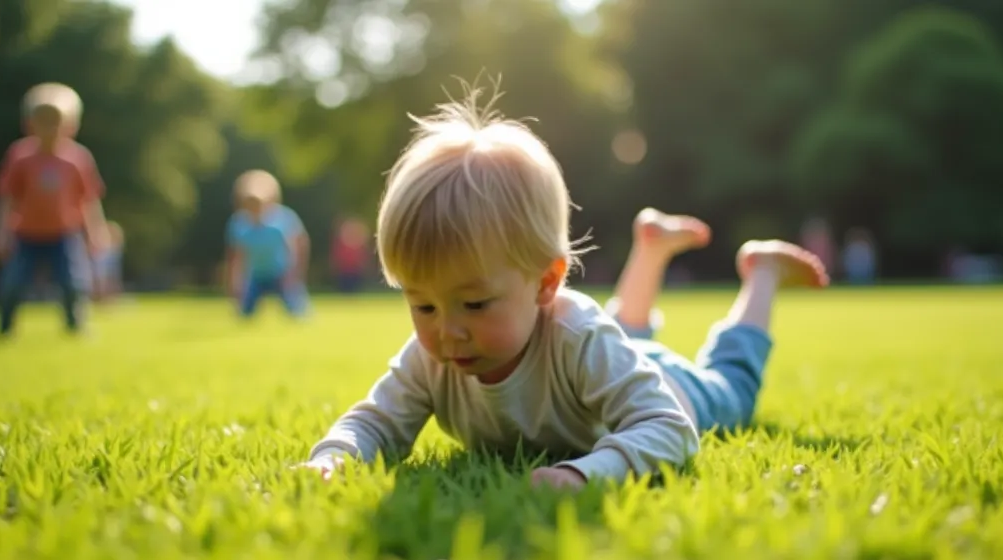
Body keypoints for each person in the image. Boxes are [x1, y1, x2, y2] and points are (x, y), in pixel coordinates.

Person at [298, 92, 827, 490]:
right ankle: (652, 250)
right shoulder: (432, 356)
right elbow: (375, 421)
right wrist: (335, 456)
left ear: (547, 281)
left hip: (664, 383)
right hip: (608, 351)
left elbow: (669, 427)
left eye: (475, 303)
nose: (447, 329)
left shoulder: (578, 335)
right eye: (422, 304)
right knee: (618, 336)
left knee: (732, 391)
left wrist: (587, 473)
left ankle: (761, 274)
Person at [0, 82, 108, 339]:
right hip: (25, 234)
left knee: (73, 282)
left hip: (64, 233)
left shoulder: (78, 158)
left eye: (55, 121)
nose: (49, 128)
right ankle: (5, 327)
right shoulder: (20, 156)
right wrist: (1, 235)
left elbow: (88, 200)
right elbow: (6, 199)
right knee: (11, 283)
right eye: (42, 121)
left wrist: (95, 233)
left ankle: (75, 324)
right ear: (29, 124)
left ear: (71, 125)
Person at [223, 169, 312, 319]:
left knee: (297, 311)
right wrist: (234, 284)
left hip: (280, 273)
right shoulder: (239, 224)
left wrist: (293, 273)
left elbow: (295, 246)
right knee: (245, 312)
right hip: (256, 274)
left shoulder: (281, 221)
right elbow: (236, 256)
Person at [329, 216, 371, 294]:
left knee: (354, 289)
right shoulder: (341, 242)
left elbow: (362, 256)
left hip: (354, 270)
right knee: (345, 290)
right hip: (344, 270)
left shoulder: (357, 242)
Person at [91, 220, 126, 304]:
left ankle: (110, 299)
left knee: (111, 281)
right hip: (103, 268)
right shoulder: (103, 248)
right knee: (103, 281)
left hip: (108, 268)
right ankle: (101, 299)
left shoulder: (114, 250)